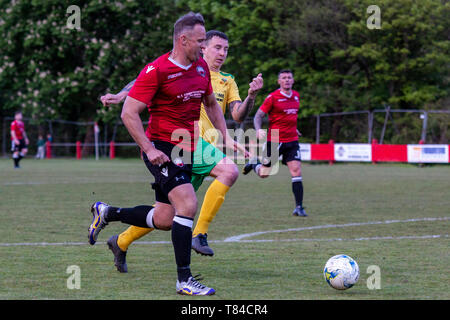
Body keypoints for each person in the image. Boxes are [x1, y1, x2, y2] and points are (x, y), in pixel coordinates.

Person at [88, 12, 234, 296]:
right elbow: (129, 113)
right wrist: (150, 149)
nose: (203, 47)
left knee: (166, 219)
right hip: (163, 148)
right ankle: (184, 281)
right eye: (200, 41)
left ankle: (107, 212)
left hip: (189, 147)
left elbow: (212, 105)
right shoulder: (157, 70)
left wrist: (225, 135)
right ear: (183, 40)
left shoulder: (201, 68)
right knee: (188, 204)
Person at [99, 30, 263, 271]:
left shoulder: (227, 80)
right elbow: (146, 79)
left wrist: (251, 96)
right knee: (228, 172)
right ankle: (199, 236)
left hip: (202, 151)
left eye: (226, 49)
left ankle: (120, 241)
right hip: (185, 145)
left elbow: (238, 115)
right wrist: (123, 95)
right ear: (203, 47)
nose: (222, 53)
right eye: (217, 47)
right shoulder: (184, 68)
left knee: (168, 215)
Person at [243, 69, 307, 217]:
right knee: (264, 174)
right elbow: (258, 116)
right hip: (275, 140)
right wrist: (258, 130)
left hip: (292, 140)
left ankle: (299, 207)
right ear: (279, 81)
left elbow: (289, 117)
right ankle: (254, 163)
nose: (287, 80)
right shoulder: (272, 97)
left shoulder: (296, 96)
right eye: (284, 78)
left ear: (293, 80)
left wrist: (294, 129)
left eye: (289, 77)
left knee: (296, 170)